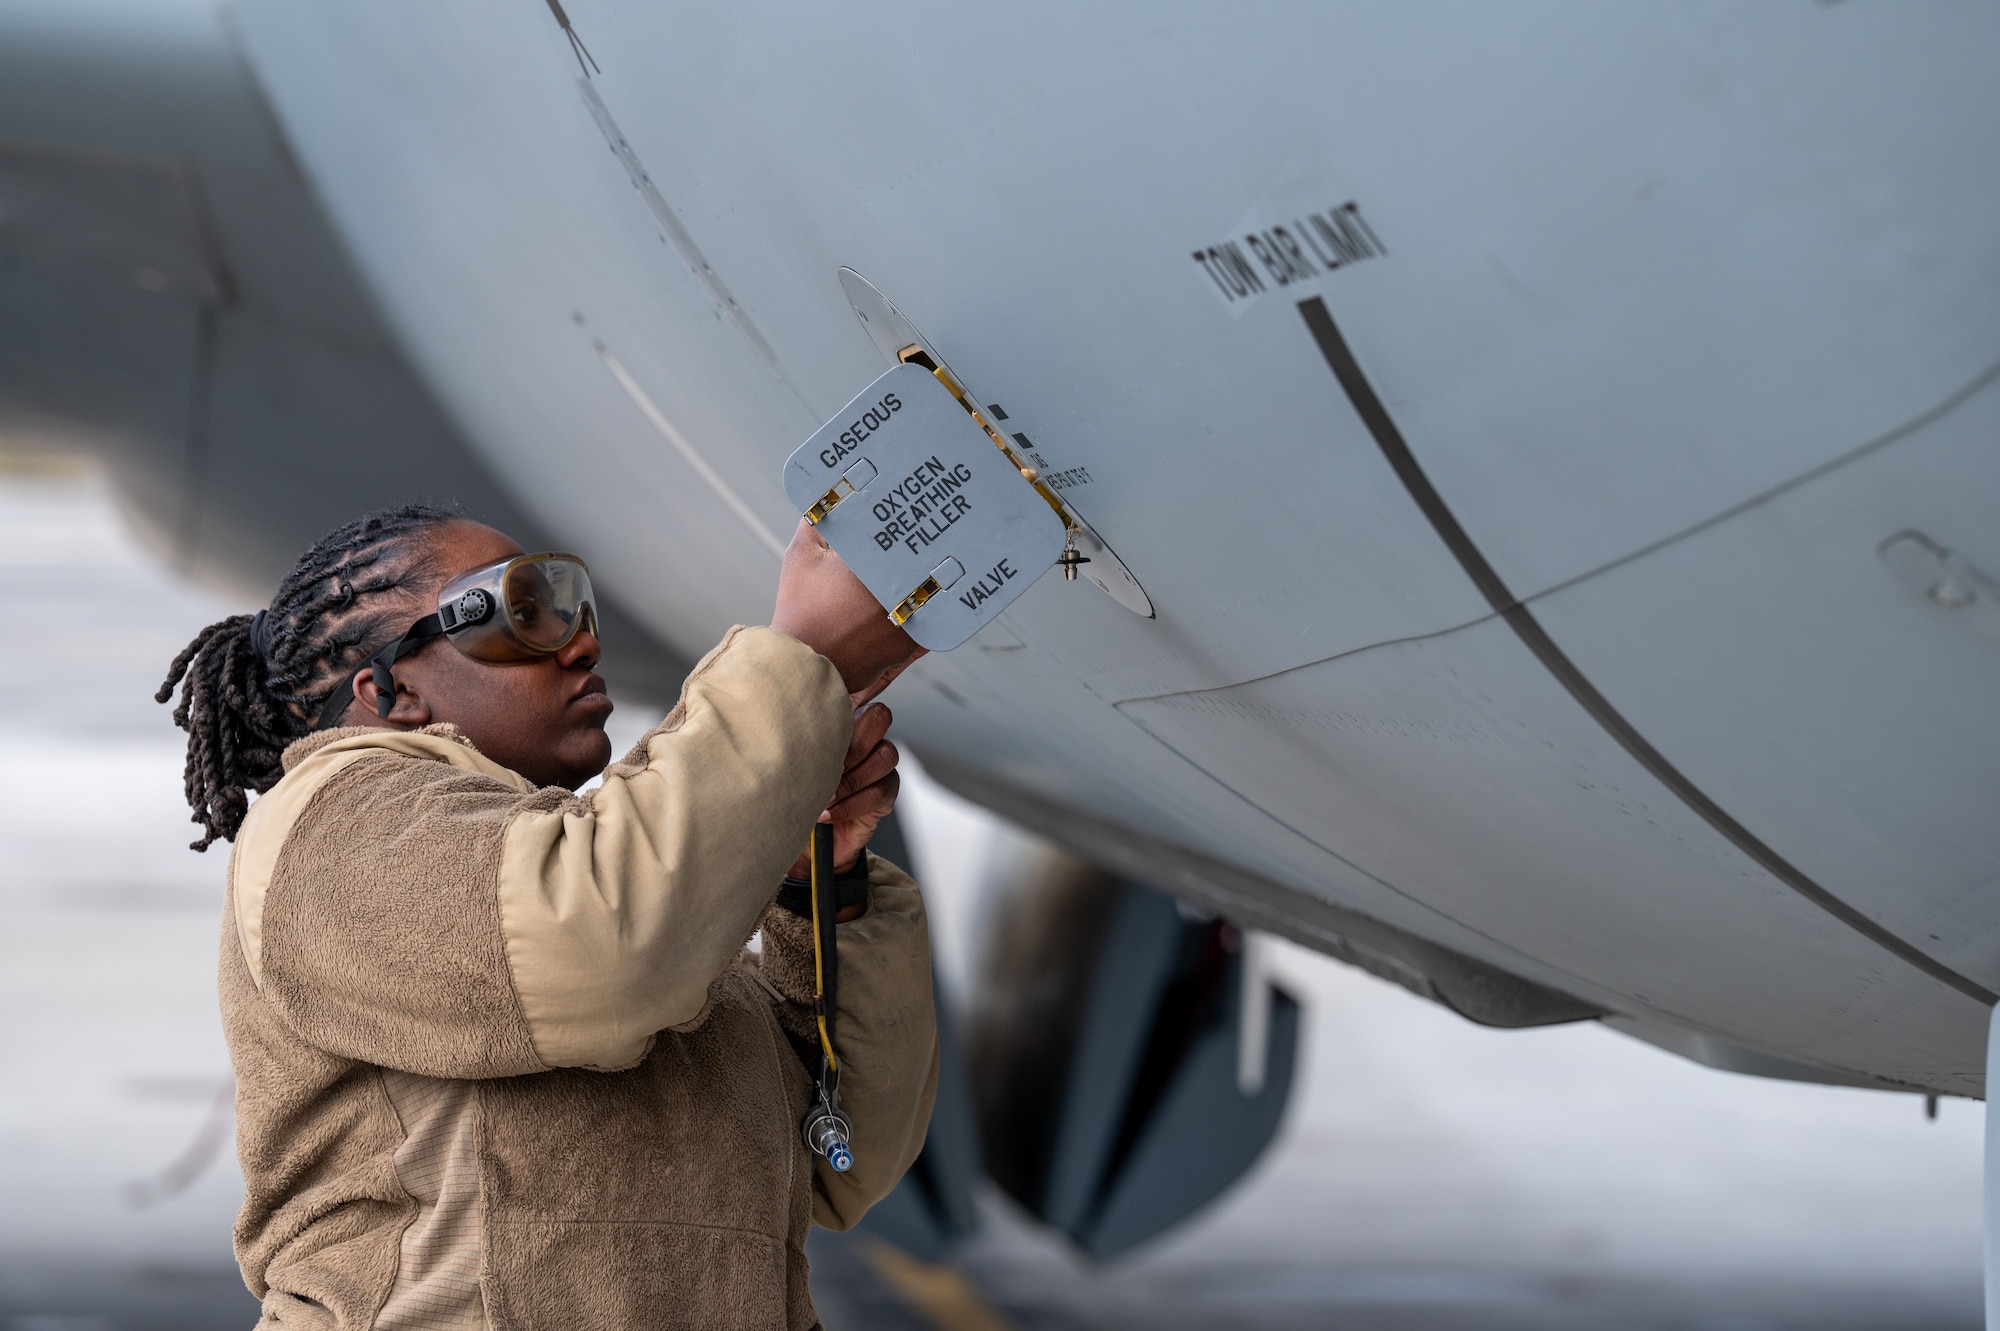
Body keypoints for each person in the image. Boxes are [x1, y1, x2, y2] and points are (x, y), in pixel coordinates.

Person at [155, 503, 939, 1330]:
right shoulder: (333, 822)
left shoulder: (610, 895)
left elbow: (841, 1163)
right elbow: (602, 944)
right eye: (522, 610)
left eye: (576, 607)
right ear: (392, 688)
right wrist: (799, 661)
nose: (581, 640)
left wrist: (817, 888)